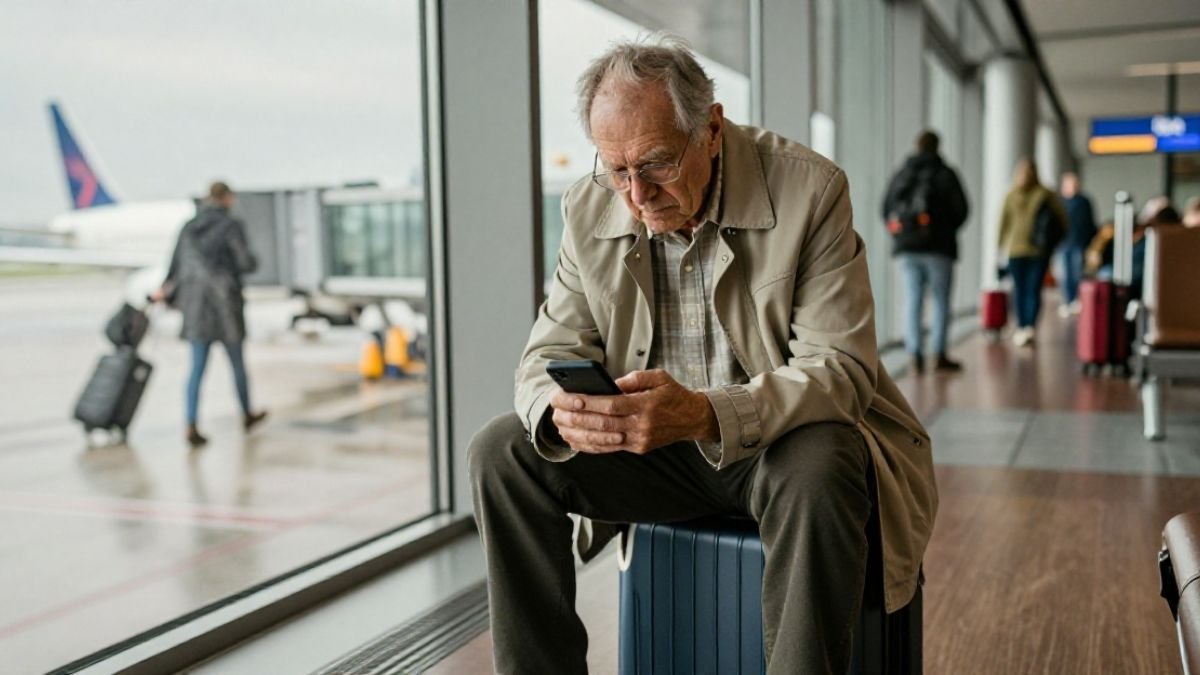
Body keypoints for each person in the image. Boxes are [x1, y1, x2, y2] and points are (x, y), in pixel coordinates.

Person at [468, 37, 936, 675]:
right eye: (616, 169)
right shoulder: (588, 204)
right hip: (653, 451)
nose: (636, 194)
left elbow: (840, 370)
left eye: (656, 163)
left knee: (823, 460)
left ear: (711, 129)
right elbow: (548, 349)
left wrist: (705, 414)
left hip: (772, 446)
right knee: (501, 453)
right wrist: (559, 411)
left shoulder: (811, 189)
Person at [154, 181, 266, 447]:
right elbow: (245, 262)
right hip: (225, 306)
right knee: (237, 365)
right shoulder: (231, 225)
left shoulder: (189, 227)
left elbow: (174, 265)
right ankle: (247, 414)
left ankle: (191, 423)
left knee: (196, 369)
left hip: (195, 308)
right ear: (226, 198)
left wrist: (164, 289)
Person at [881, 130, 969, 374]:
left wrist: (902, 234)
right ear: (938, 146)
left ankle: (915, 353)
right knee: (940, 300)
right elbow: (962, 210)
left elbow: (885, 209)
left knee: (913, 299)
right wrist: (944, 230)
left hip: (907, 248)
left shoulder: (903, 174)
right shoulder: (946, 174)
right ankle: (939, 353)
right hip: (939, 248)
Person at [997, 158, 1067, 347]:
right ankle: (1026, 326)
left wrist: (1000, 247)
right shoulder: (1037, 194)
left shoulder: (1036, 195)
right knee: (1026, 289)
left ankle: (1026, 326)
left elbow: (1003, 224)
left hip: (1028, 250)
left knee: (1026, 289)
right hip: (1027, 251)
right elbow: (1062, 221)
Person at [1056, 171, 1096, 317]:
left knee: (1077, 272)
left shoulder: (1084, 202)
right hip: (1063, 244)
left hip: (1079, 242)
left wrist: (1090, 242)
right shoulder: (1059, 203)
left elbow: (1090, 223)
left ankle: (1077, 300)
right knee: (1064, 275)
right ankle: (1068, 300)